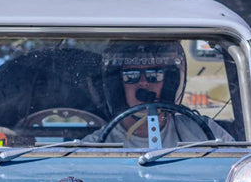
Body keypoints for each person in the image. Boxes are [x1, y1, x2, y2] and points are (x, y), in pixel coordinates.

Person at [89, 41, 231, 147]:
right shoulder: (96, 145)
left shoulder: (204, 132)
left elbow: (243, 165)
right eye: (131, 75)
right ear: (118, 86)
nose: (144, 83)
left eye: (154, 74)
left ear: (169, 82)